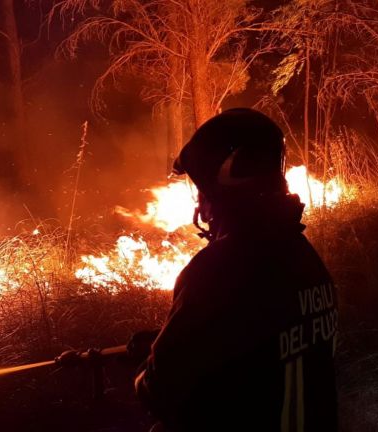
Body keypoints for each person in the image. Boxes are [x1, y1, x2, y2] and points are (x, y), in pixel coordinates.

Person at [132, 108, 338, 432]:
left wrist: (150, 365)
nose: (200, 201)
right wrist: (166, 341)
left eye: (201, 188)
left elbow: (160, 392)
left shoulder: (218, 268)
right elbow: (256, 344)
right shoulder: (304, 257)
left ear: (221, 186)